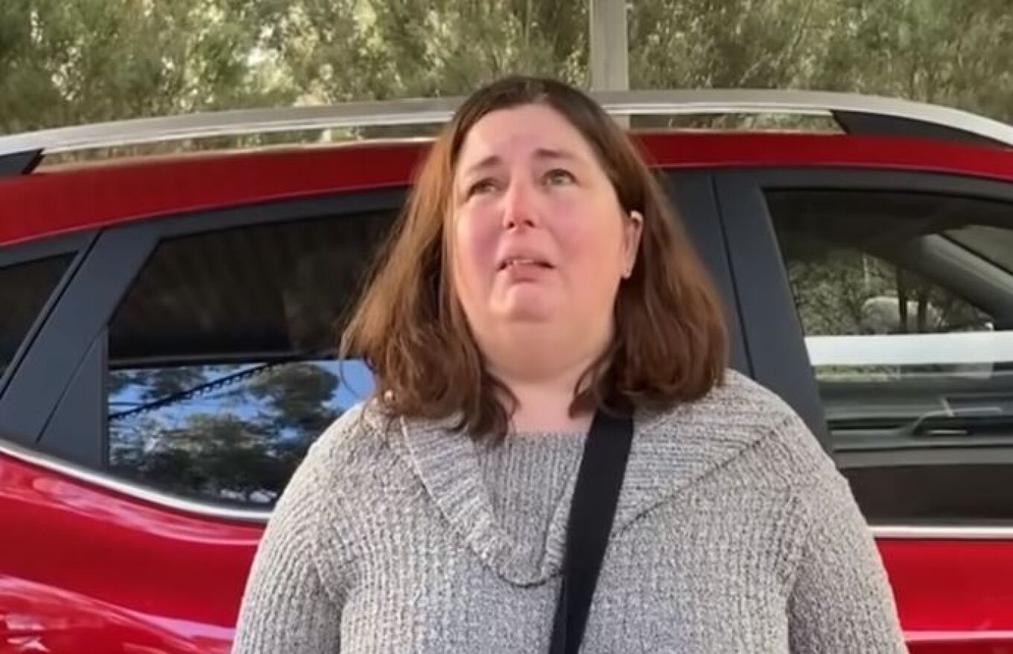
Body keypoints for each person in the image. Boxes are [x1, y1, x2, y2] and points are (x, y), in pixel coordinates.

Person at [232, 75, 907, 653]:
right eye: (483, 186)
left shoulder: (764, 457)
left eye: (557, 177)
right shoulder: (351, 473)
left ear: (629, 241)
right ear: (445, 250)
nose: (518, 210)